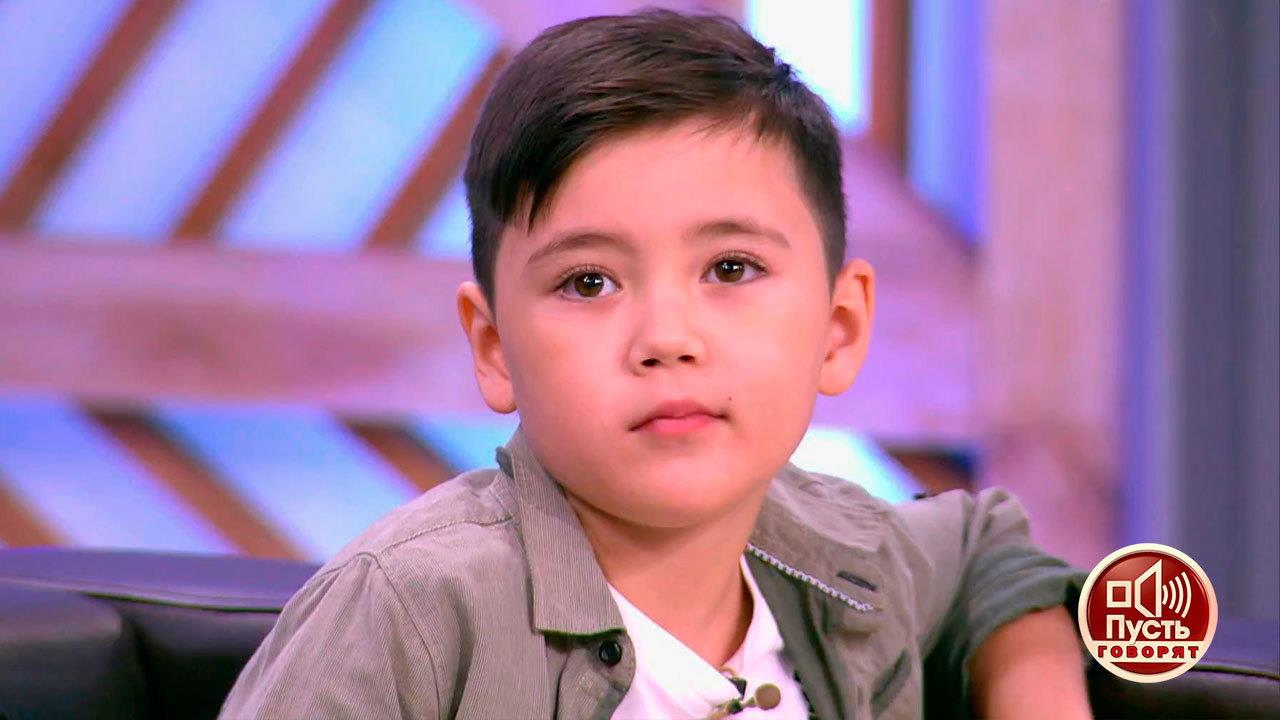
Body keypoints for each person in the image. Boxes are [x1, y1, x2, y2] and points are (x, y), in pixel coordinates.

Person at [220, 9, 1091, 719]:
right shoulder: (408, 612)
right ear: (494, 348)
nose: (667, 337)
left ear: (839, 328)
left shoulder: (844, 553)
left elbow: (987, 554)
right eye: (588, 282)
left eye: (731, 269)